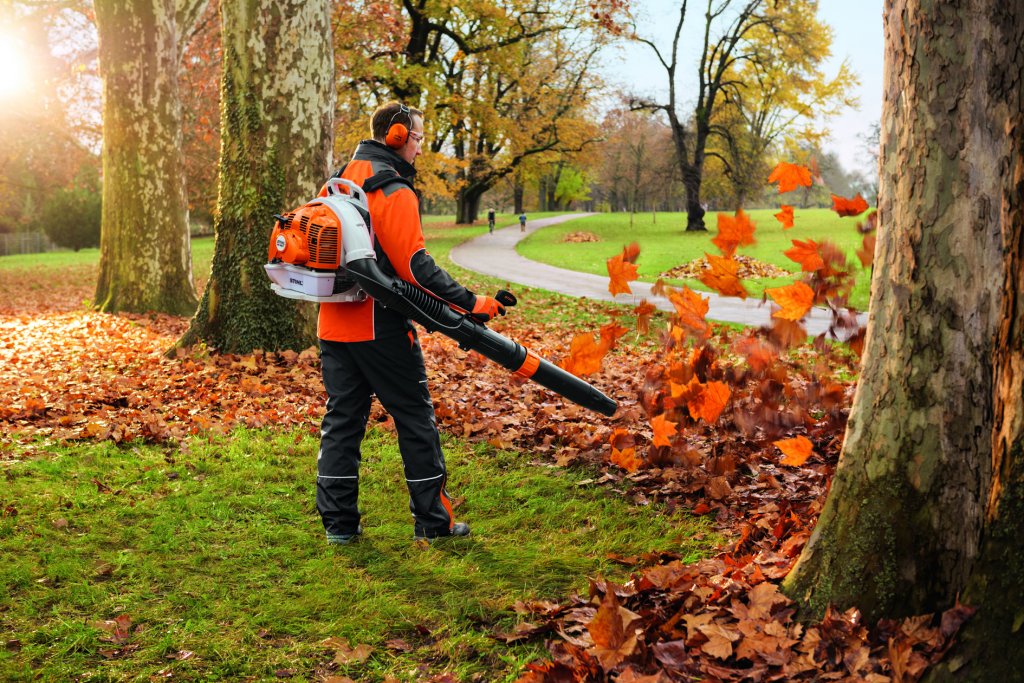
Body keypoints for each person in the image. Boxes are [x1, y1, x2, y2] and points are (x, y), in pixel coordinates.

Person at [315, 102, 506, 544]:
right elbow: (417, 269)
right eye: (418, 138)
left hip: (332, 322)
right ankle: (433, 524)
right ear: (398, 136)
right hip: (379, 325)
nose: (420, 148)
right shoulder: (394, 190)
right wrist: (472, 302)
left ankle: (339, 526)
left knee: (342, 421)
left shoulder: (338, 182)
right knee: (415, 419)